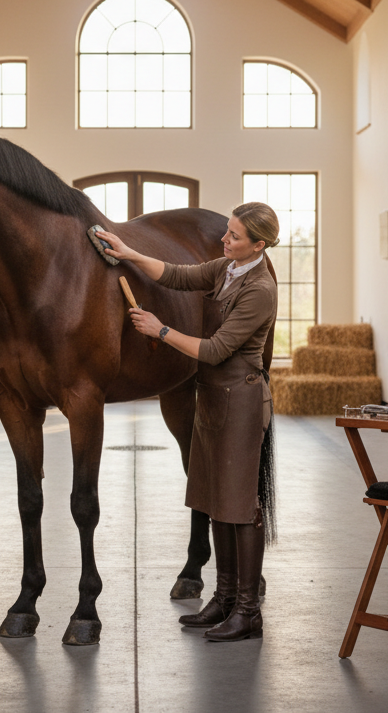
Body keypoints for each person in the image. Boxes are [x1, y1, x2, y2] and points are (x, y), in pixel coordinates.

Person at [96, 202, 279, 642]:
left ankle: (248, 611)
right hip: (214, 397)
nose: (224, 239)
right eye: (226, 232)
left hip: (240, 396)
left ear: (259, 244)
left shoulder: (259, 288)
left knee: (240, 505)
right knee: (214, 498)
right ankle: (225, 596)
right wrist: (128, 252)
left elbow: (216, 350)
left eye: (234, 236)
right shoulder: (227, 268)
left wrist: (160, 330)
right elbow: (177, 275)